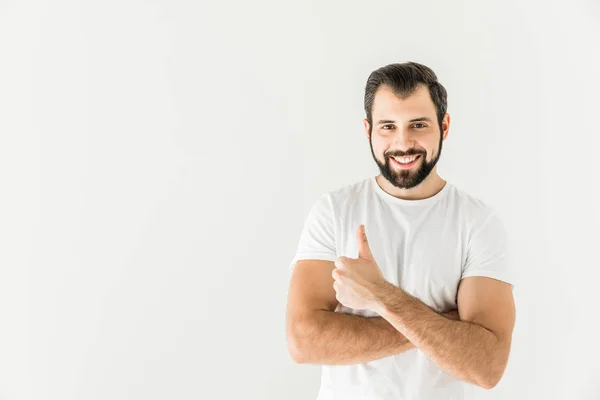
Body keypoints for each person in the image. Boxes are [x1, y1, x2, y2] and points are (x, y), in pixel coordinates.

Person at [285, 61, 516, 400]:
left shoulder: (477, 222)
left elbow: (486, 366)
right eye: (388, 127)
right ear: (368, 130)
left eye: (418, 125)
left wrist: (380, 295)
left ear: (444, 125)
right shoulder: (333, 212)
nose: (403, 143)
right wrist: (443, 324)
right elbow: (304, 341)